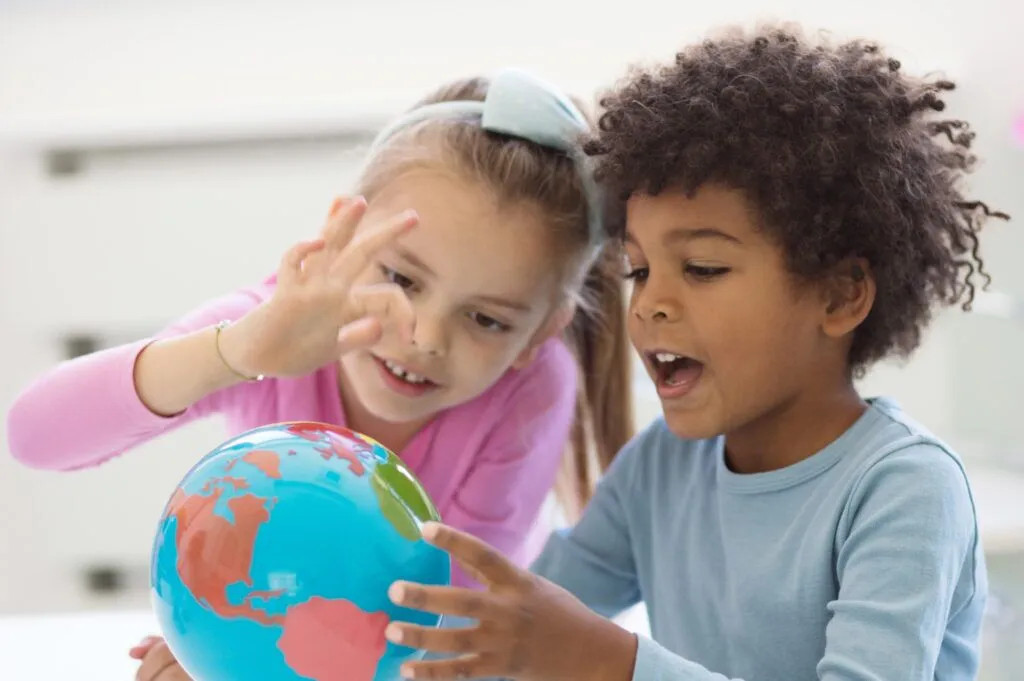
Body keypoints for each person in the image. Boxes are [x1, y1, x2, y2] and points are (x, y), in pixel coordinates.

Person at [379, 24, 1010, 681]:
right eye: (640, 270)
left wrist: (606, 659)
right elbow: (525, 614)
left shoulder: (903, 490)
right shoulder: (659, 470)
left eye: (703, 267)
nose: (651, 303)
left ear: (839, 295)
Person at [6, 69, 636, 681]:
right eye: (401, 278)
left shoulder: (533, 389)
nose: (424, 337)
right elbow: (33, 436)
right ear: (342, 235)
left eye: (486, 320)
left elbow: (443, 639)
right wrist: (234, 354)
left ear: (541, 333)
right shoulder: (267, 327)